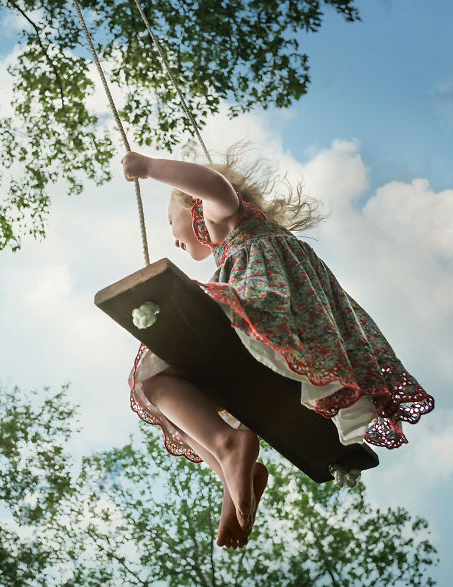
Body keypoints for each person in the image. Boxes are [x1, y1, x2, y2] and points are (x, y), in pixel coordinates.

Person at [119, 146, 435, 549]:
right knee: (155, 389)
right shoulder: (240, 245)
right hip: (286, 337)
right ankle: (233, 469)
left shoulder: (225, 219)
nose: (173, 236)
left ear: (193, 206)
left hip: (264, 315)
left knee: (153, 380)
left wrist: (148, 167)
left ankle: (228, 445)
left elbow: (214, 186)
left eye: (171, 221)